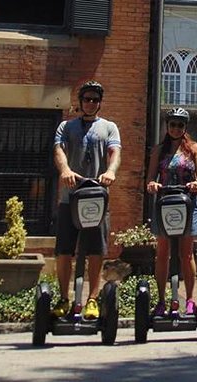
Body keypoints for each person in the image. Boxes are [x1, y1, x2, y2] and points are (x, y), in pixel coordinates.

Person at [52, 80, 122, 319]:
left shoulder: (109, 127)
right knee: (63, 250)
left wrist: (111, 171)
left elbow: (115, 153)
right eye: (87, 99)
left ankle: (92, 300)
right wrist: (65, 170)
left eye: (95, 99)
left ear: (100, 103)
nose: (91, 103)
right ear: (80, 102)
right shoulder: (66, 126)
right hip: (69, 197)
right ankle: (63, 298)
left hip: (97, 198)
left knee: (95, 250)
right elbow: (59, 150)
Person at [146, 107, 197, 316]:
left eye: (180, 125)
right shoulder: (158, 150)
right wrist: (152, 184)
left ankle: (189, 300)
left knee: (186, 253)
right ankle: (162, 301)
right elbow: (151, 177)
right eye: (172, 124)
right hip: (165, 205)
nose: (176, 128)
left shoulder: (194, 148)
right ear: (167, 126)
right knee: (162, 254)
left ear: (185, 127)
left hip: (188, 203)